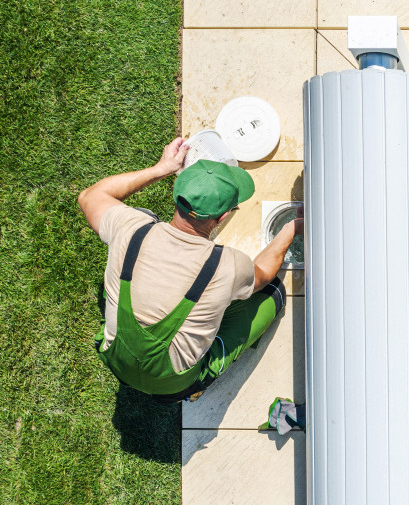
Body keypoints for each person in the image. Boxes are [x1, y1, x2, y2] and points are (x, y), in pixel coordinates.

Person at [77, 137, 302, 402]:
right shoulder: (228, 265)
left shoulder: (131, 228)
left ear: (176, 195)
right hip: (172, 384)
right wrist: (290, 230)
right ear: (222, 217)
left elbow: (89, 196)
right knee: (271, 293)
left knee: (138, 217)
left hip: (115, 356)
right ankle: (195, 387)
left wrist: (161, 168)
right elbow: (263, 273)